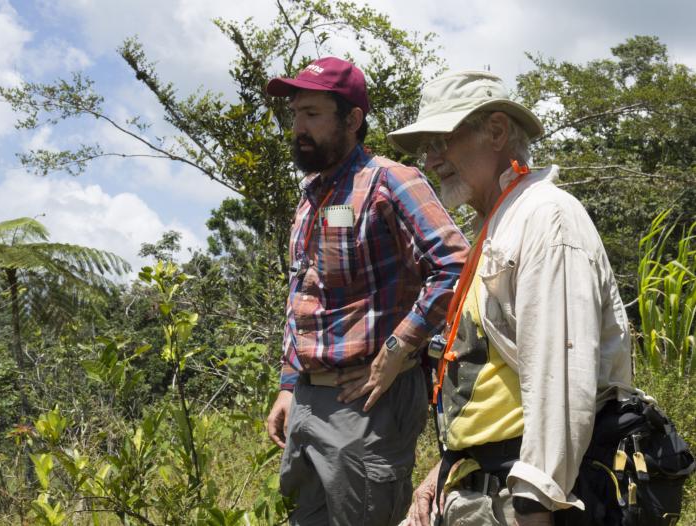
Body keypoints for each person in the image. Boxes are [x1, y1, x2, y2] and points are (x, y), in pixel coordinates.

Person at [387, 71, 632, 526]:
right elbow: (494, 382)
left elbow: (561, 378)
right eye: (427, 148)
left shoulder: (546, 218)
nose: (432, 158)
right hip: (481, 487)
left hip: (523, 499)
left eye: (442, 139)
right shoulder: (498, 225)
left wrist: (535, 503)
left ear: (497, 131)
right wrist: (444, 473)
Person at [264, 57, 470, 525]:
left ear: (352, 120)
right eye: (295, 114)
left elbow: (455, 266)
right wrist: (289, 382)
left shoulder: (391, 181)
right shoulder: (311, 195)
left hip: (367, 404)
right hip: (308, 402)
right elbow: (305, 294)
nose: (298, 127)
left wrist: (399, 348)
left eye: (313, 114)